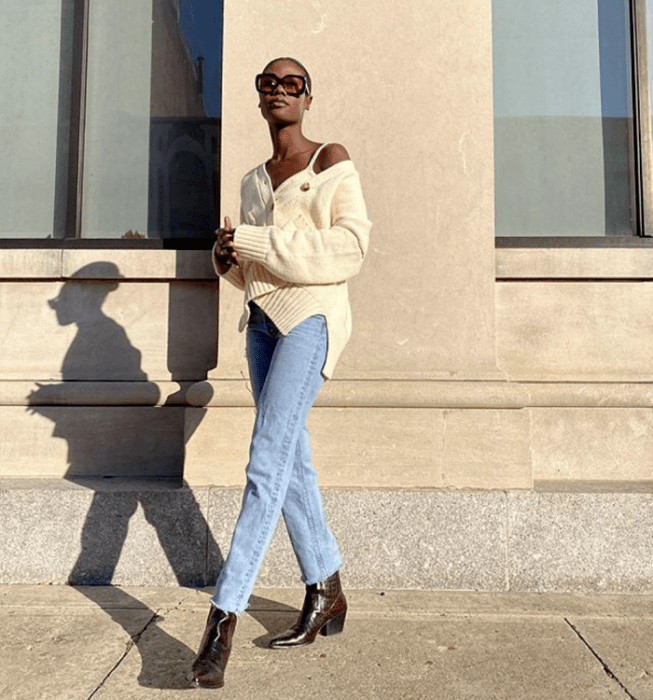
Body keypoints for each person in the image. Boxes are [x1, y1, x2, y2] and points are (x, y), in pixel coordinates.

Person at [191, 57, 372, 689]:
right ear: (258, 98)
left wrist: (257, 243)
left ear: (308, 97)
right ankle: (327, 588)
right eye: (268, 83)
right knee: (291, 461)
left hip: (311, 324)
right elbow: (253, 271)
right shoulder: (250, 181)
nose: (279, 92)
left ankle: (221, 623)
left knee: (265, 463)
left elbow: (350, 249)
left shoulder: (329, 160)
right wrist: (227, 259)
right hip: (262, 326)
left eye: (290, 83)